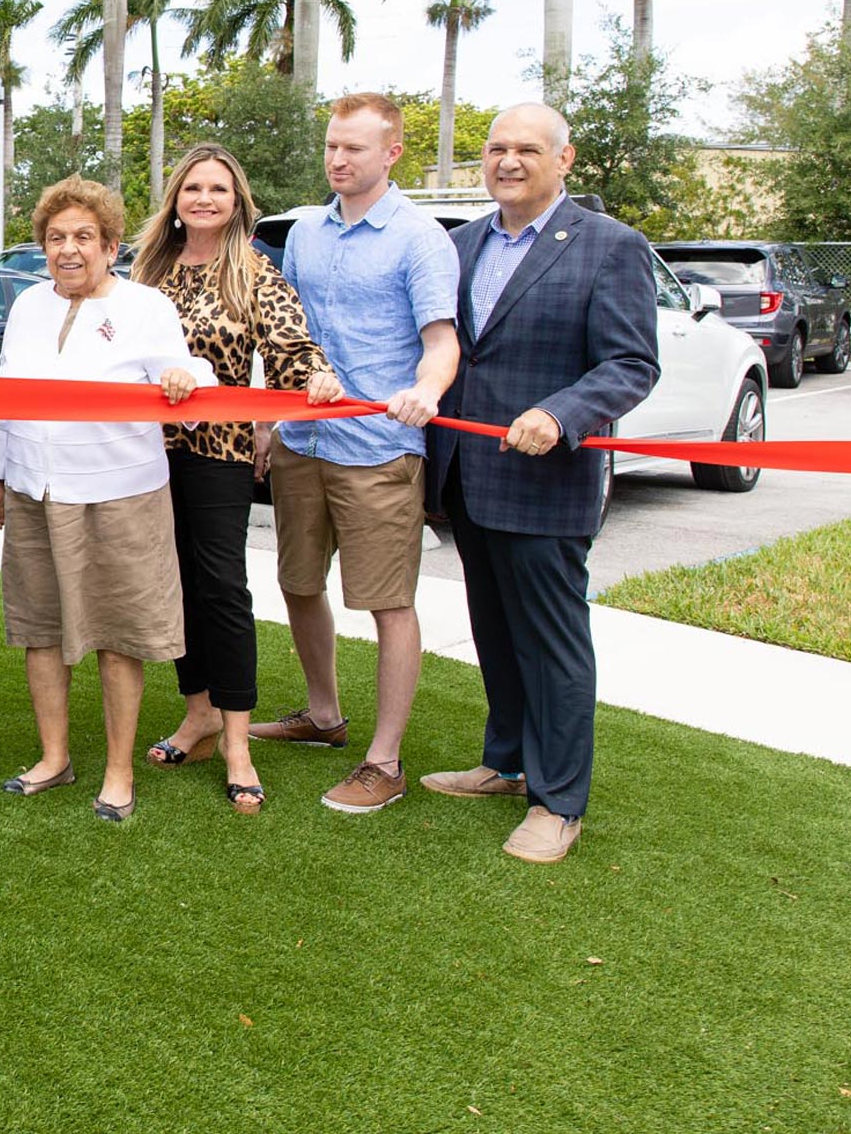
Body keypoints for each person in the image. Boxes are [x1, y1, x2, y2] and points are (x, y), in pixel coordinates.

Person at [422, 104, 658, 863]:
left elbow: (630, 365)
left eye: (527, 148)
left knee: (553, 643)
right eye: (497, 148)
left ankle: (558, 802)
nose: (509, 161)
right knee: (495, 630)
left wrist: (561, 415)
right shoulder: (457, 245)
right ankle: (508, 761)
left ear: (565, 160)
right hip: (466, 476)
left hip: (545, 481)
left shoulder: (611, 248)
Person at [251, 93, 460, 815]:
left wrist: (427, 389)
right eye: (333, 147)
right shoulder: (306, 232)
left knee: (387, 603)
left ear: (392, 153)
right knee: (298, 583)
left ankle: (385, 761)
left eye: (356, 150)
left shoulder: (421, 239)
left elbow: (441, 343)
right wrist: (269, 419)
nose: (339, 160)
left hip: (378, 450)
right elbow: (288, 335)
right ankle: (324, 716)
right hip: (303, 441)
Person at [0, 178, 214, 822]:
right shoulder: (27, 306)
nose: (69, 250)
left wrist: (181, 378)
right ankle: (54, 758)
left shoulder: (146, 308)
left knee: (118, 636)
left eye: (84, 237)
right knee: (41, 631)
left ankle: (118, 773)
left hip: (118, 495)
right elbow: (5, 399)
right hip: (35, 490)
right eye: (56, 238)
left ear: (110, 245)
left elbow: (197, 377)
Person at [130, 144, 342, 815]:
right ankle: (197, 715)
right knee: (174, 584)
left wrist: (317, 377)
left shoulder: (254, 273)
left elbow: (291, 348)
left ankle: (238, 740)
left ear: (236, 201)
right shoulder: (147, 273)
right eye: (193, 188)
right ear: (176, 199)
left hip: (218, 452)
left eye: (218, 189)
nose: (204, 199)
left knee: (222, 586)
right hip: (144, 453)